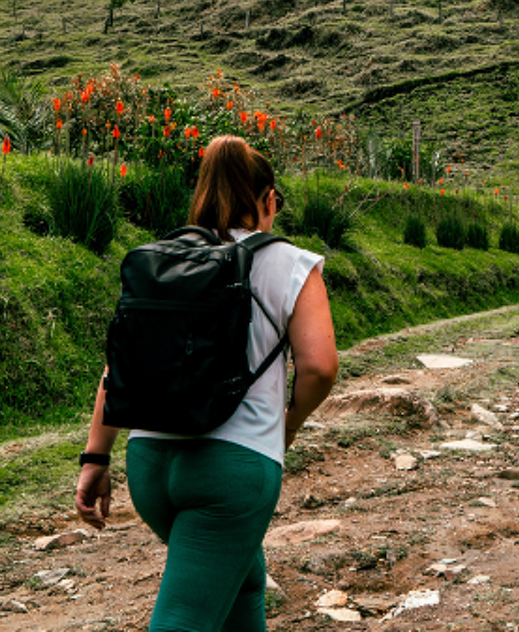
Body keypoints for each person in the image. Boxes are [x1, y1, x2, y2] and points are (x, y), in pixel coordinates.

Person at [75, 135, 338, 632]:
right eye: (276, 202)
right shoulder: (292, 263)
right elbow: (320, 367)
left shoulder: (162, 261)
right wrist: (289, 424)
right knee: (184, 620)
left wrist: (96, 457)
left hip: (150, 465)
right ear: (267, 199)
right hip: (231, 473)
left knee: (243, 582)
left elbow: (119, 366)